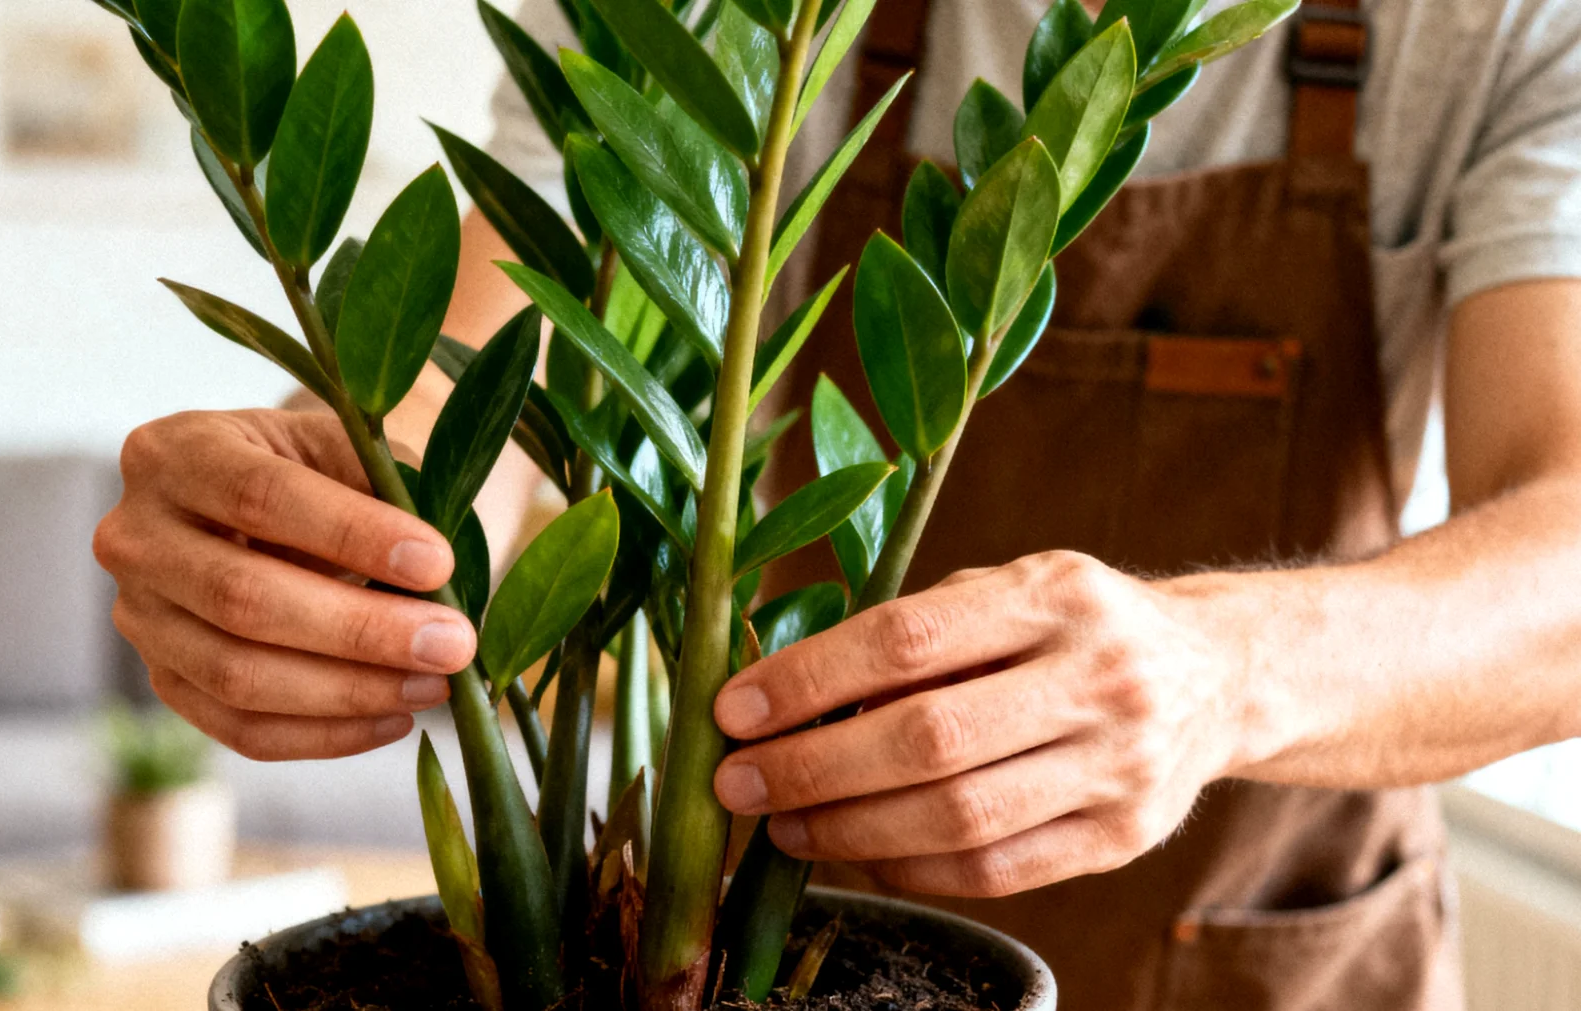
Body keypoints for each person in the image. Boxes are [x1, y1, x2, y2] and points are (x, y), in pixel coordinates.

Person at [92, 1, 1581, 1006]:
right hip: (757, 951)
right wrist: (339, 501)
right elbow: (493, 371)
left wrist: (1223, 675)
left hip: (1266, 958)